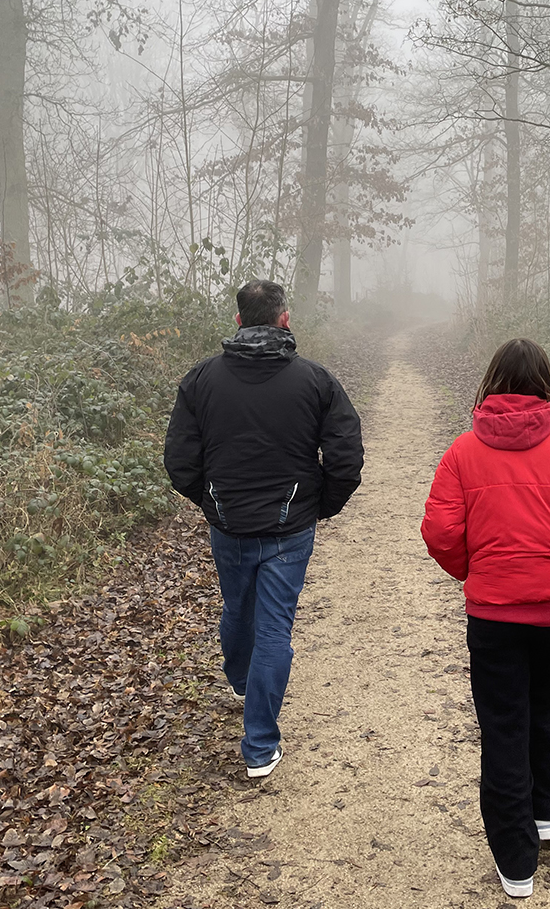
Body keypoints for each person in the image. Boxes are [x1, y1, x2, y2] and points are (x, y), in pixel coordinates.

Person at [420, 338, 550, 899]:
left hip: (494, 614)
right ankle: (549, 813)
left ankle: (516, 863)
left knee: (504, 724)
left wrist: (477, 573)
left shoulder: (462, 453)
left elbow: (439, 533)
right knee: (544, 701)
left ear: (492, 385)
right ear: (545, 386)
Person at [164, 280, 364, 779]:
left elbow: (179, 461)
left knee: (239, 609)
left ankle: (241, 683)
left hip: (229, 524)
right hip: (288, 527)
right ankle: (258, 747)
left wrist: (212, 503)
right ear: (284, 319)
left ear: (237, 322)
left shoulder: (200, 380)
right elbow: (346, 457)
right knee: (273, 627)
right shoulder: (316, 381)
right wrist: (321, 506)